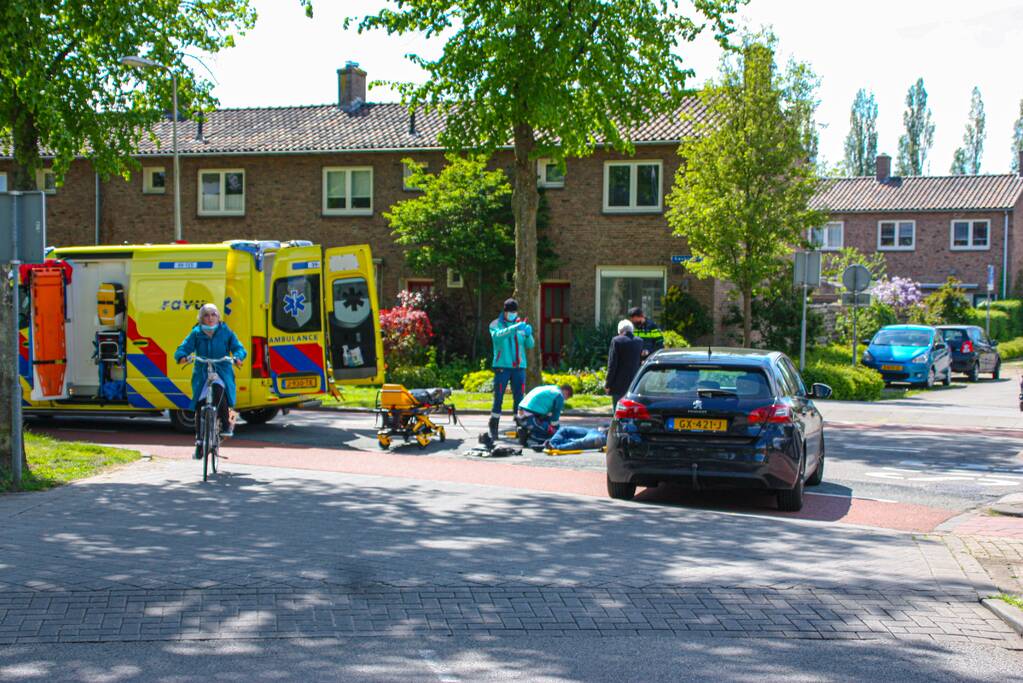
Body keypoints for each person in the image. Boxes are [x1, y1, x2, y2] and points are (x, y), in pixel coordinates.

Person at [174, 303, 246, 456]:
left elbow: (239, 348)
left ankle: (226, 425)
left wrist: (238, 357)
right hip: (202, 371)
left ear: (218, 317)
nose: (210, 318)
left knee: (220, 391)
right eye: (206, 315)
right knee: (200, 405)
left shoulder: (226, 332)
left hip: (222, 370)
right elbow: (183, 348)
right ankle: (200, 442)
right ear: (201, 319)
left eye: (213, 314)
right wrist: (182, 356)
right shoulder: (196, 333)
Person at [488, 298, 534, 440]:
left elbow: (530, 345)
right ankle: (493, 425)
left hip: (519, 367)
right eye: (510, 312)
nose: (513, 314)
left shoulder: (520, 324)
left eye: (515, 311)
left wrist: (528, 334)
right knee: (499, 397)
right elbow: (497, 337)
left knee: (519, 398)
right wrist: (515, 328)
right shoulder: (496, 324)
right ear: (505, 311)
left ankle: (519, 426)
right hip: (502, 366)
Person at [605, 319, 644, 408]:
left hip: (618, 384)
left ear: (620, 331)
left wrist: (608, 384)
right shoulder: (639, 341)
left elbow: (612, 364)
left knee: (618, 411)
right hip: (634, 382)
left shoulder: (616, 341)